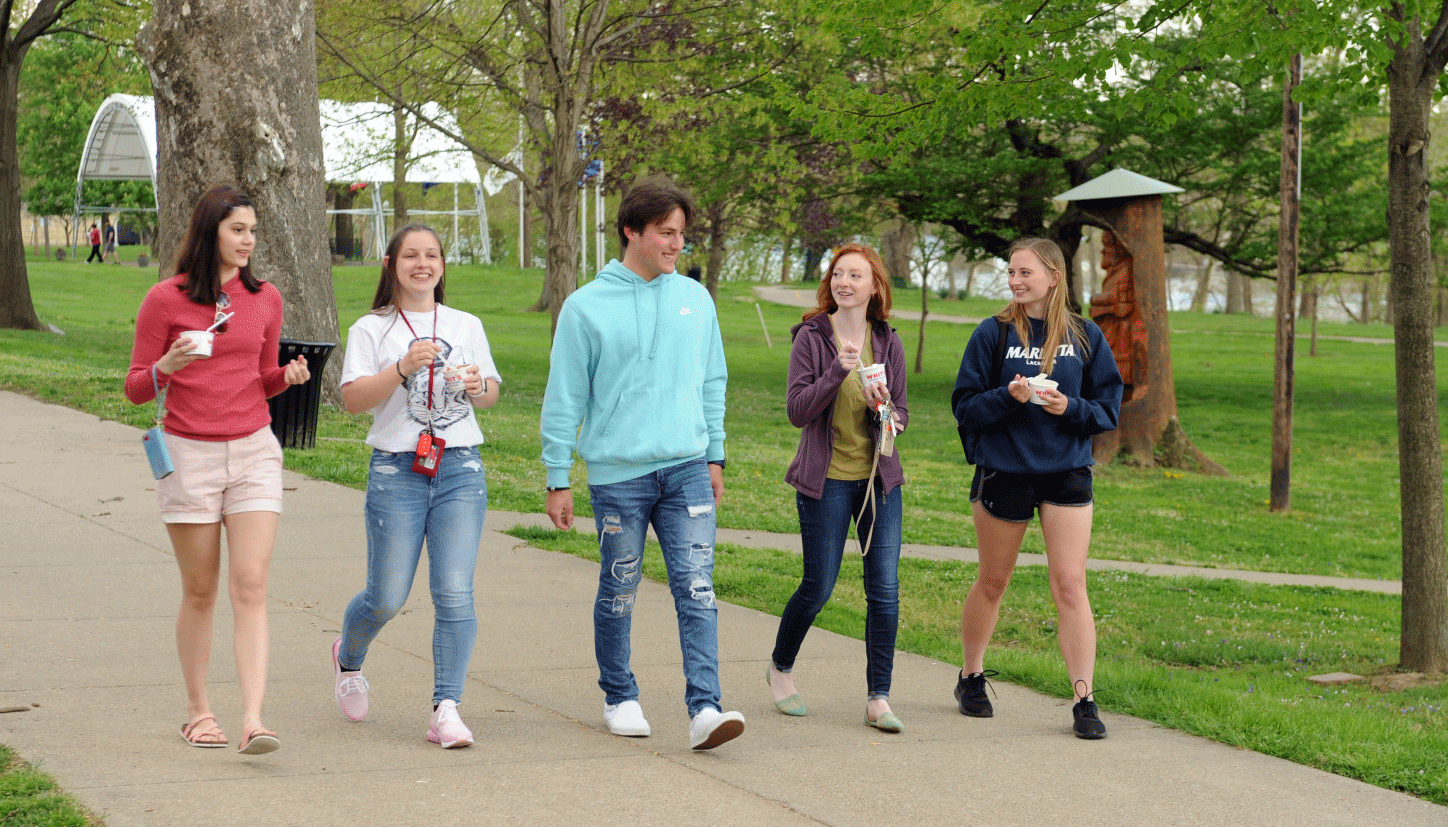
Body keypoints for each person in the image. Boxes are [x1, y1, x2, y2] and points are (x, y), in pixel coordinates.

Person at [540, 177, 745, 750]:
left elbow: (713, 381)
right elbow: (564, 399)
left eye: (682, 233)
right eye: (665, 233)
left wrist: (715, 454)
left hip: (687, 467)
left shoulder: (695, 298)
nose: (677, 244)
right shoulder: (585, 307)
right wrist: (558, 477)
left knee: (697, 588)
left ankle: (705, 708)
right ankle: (619, 695)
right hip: (618, 476)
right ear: (633, 231)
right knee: (620, 587)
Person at [124, 184, 311, 754]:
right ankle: (199, 712)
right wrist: (165, 364)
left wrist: (289, 377)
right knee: (201, 590)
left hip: (254, 448)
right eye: (238, 230)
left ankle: (254, 717)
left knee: (251, 585)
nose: (249, 240)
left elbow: (262, 376)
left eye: (253, 230)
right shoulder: (165, 300)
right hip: (188, 455)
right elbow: (134, 388)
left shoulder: (265, 298)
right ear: (211, 233)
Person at [333, 223, 502, 749]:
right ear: (391, 264)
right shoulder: (372, 329)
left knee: (454, 593)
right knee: (386, 597)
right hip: (396, 472)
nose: (421, 263)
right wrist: (402, 368)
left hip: (459, 469)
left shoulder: (466, 324)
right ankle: (348, 658)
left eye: (431, 255)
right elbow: (354, 400)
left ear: (443, 266)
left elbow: (491, 392)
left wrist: (478, 386)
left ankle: (445, 710)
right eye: (410, 255)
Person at [950, 236, 1122, 739]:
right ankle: (971, 675)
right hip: (1006, 469)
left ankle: (1084, 699)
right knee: (993, 581)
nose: (1015, 281)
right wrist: (1008, 396)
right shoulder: (993, 333)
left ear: (1053, 276)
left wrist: (1068, 408)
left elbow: (1107, 412)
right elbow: (965, 408)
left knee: (1070, 585)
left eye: (1025, 272)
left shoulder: (1087, 336)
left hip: (1066, 470)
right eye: (1011, 272)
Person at [767, 242, 909, 733]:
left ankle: (878, 698)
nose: (844, 282)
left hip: (878, 484)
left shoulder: (888, 341)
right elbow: (797, 411)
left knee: (884, 592)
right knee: (819, 584)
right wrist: (836, 373)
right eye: (837, 274)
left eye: (855, 275)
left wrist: (882, 408)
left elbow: (900, 421)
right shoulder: (812, 338)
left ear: (875, 287)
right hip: (824, 481)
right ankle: (780, 670)